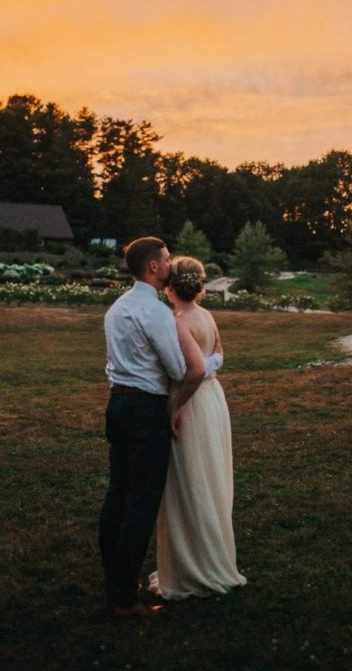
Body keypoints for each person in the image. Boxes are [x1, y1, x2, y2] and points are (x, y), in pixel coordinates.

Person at [98, 237, 224, 618]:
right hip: (145, 408)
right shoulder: (153, 312)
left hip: (117, 403)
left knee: (117, 492)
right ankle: (123, 598)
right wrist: (213, 362)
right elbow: (180, 369)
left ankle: (114, 576)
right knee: (142, 501)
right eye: (167, 260)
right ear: (153, 266)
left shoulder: (117, 308)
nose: (171, 265)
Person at [149, 256, 247, 600]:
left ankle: (193, 567)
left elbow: (192, 371)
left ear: (170, 285)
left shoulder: (177, 321)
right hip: (213, 401)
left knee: (189, 481)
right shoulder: (206, 316)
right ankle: (211, 555)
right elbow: (217, 355)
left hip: (191, 403)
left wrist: (176, 405)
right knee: (209, 476)